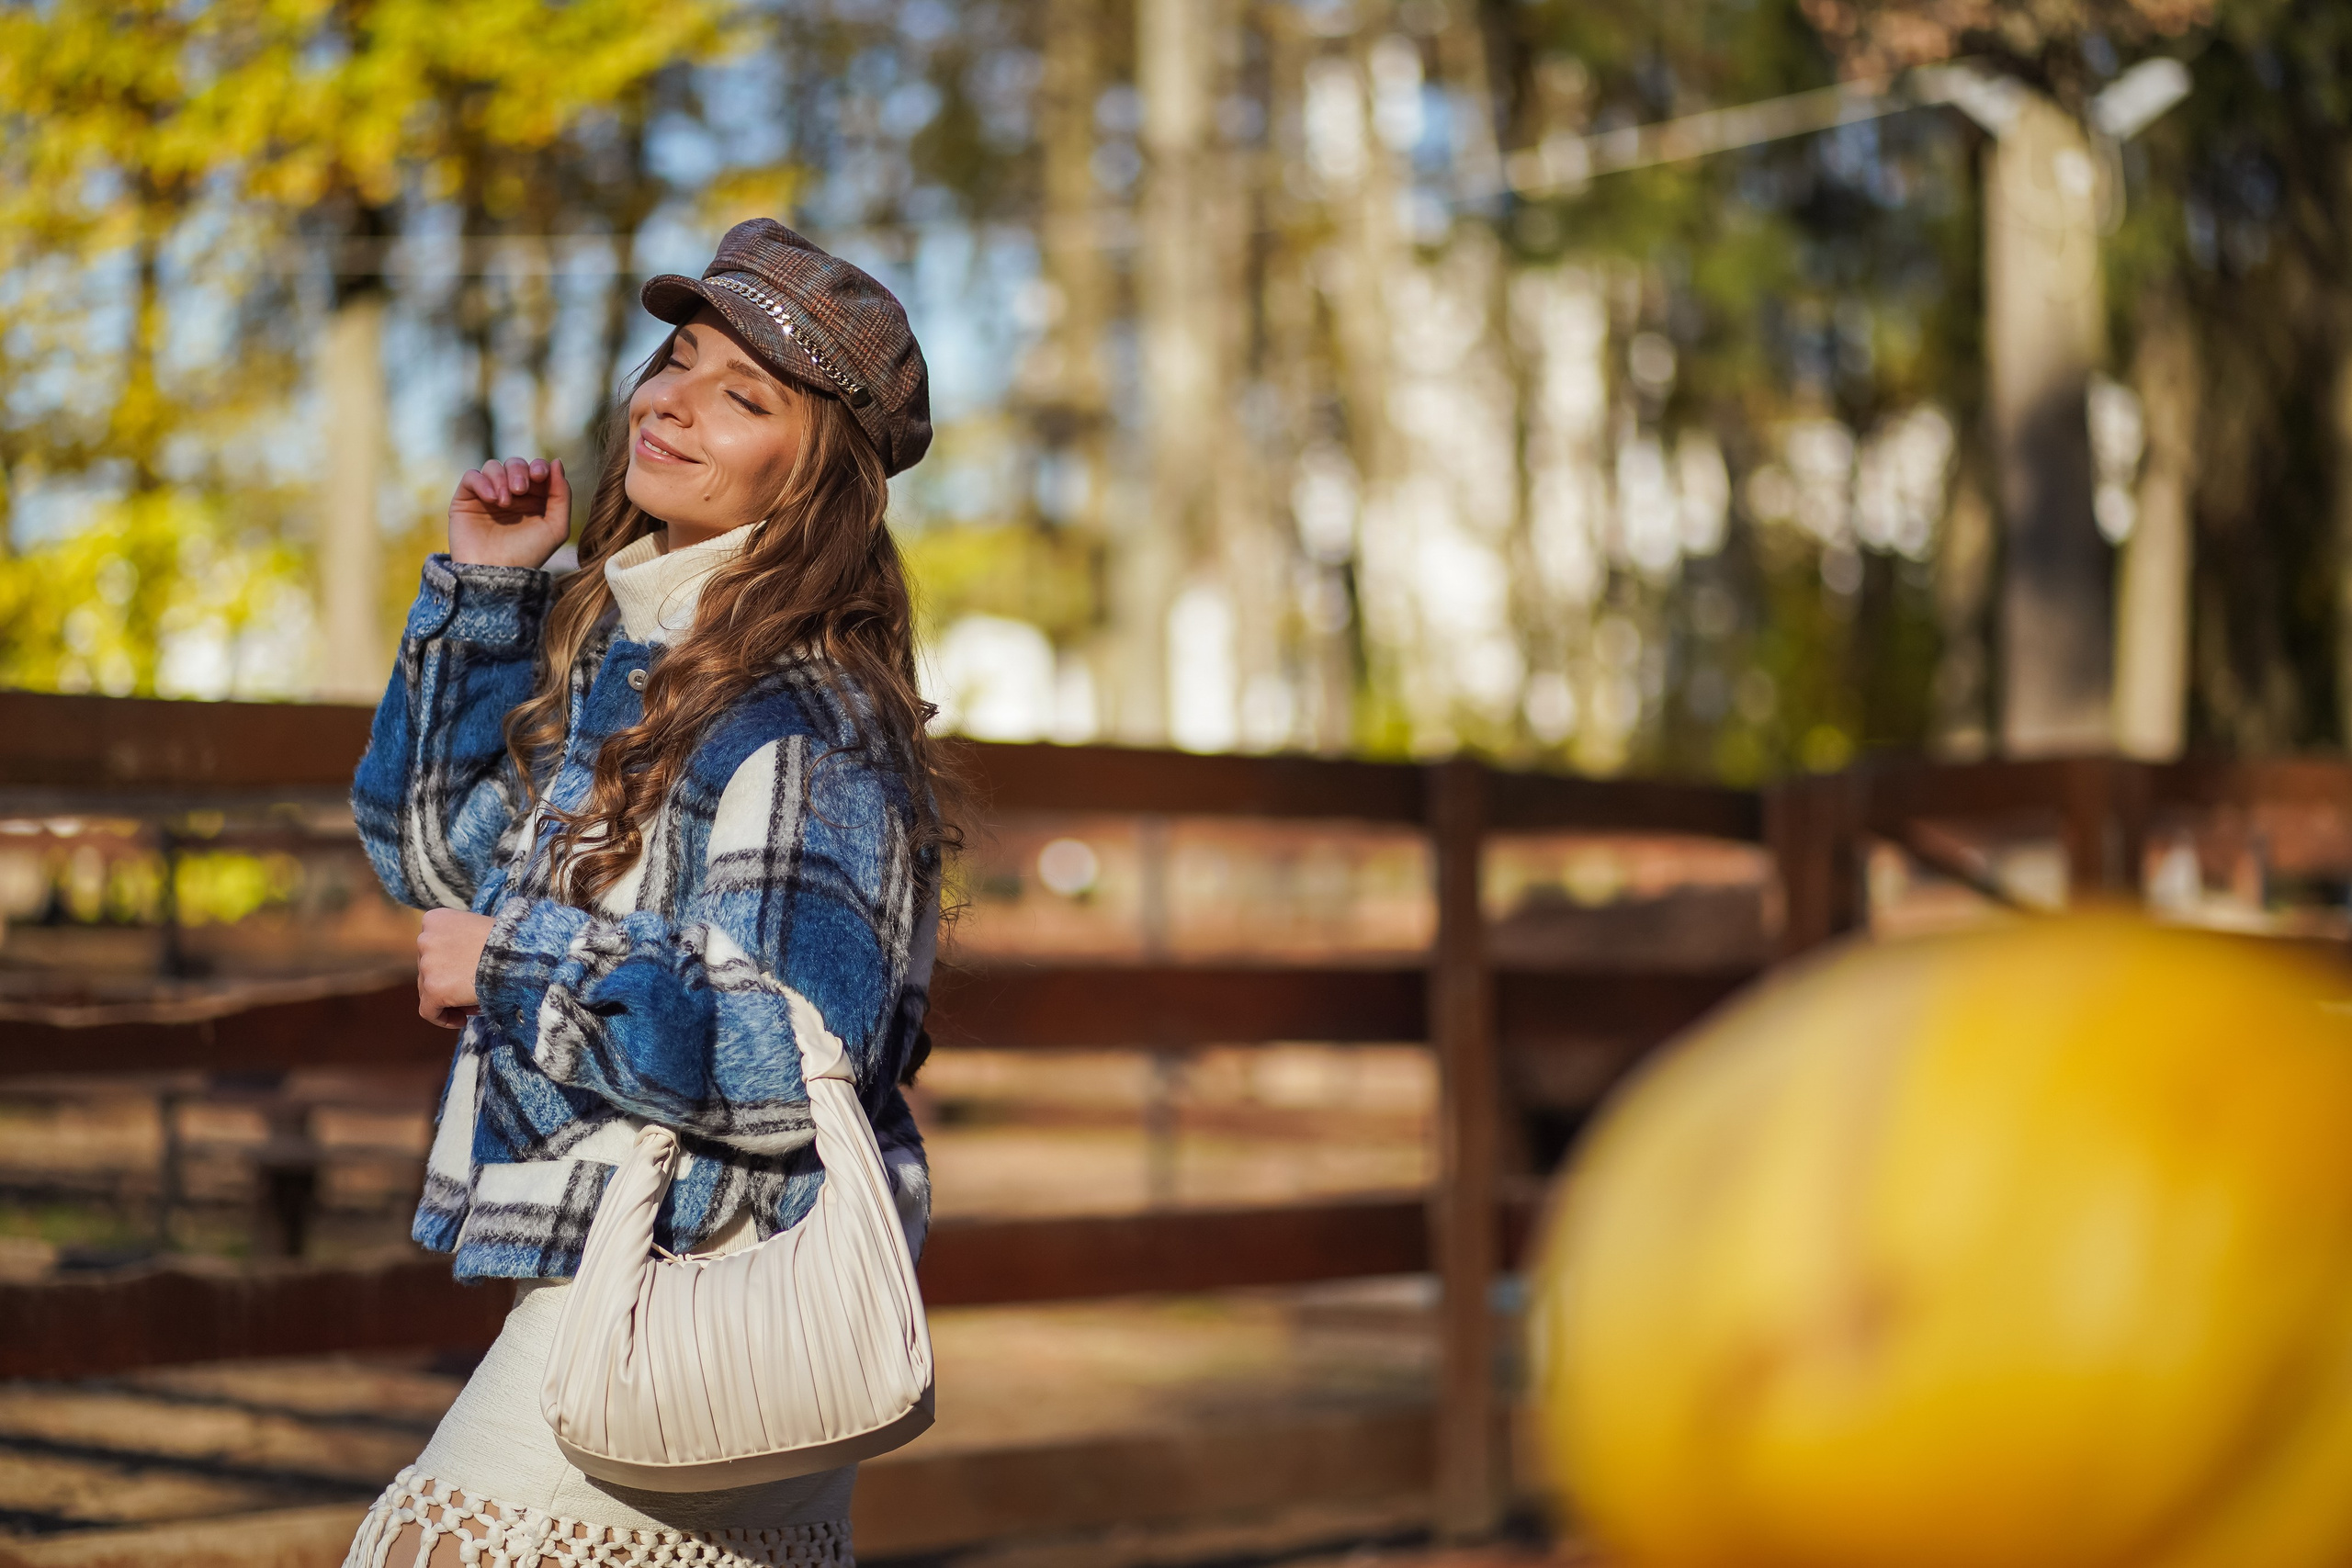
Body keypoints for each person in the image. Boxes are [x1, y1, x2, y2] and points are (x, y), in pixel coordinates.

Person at [343, 219, 944, 1568]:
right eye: (676, 360)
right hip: (643, 1254)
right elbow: (436, 862)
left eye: (744, 396)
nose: (671, 400)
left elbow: (794, 1053)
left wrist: (516, 969)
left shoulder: (801, 711)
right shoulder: (646, 657)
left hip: (705, 1265)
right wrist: (492, 597)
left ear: (818, 478)